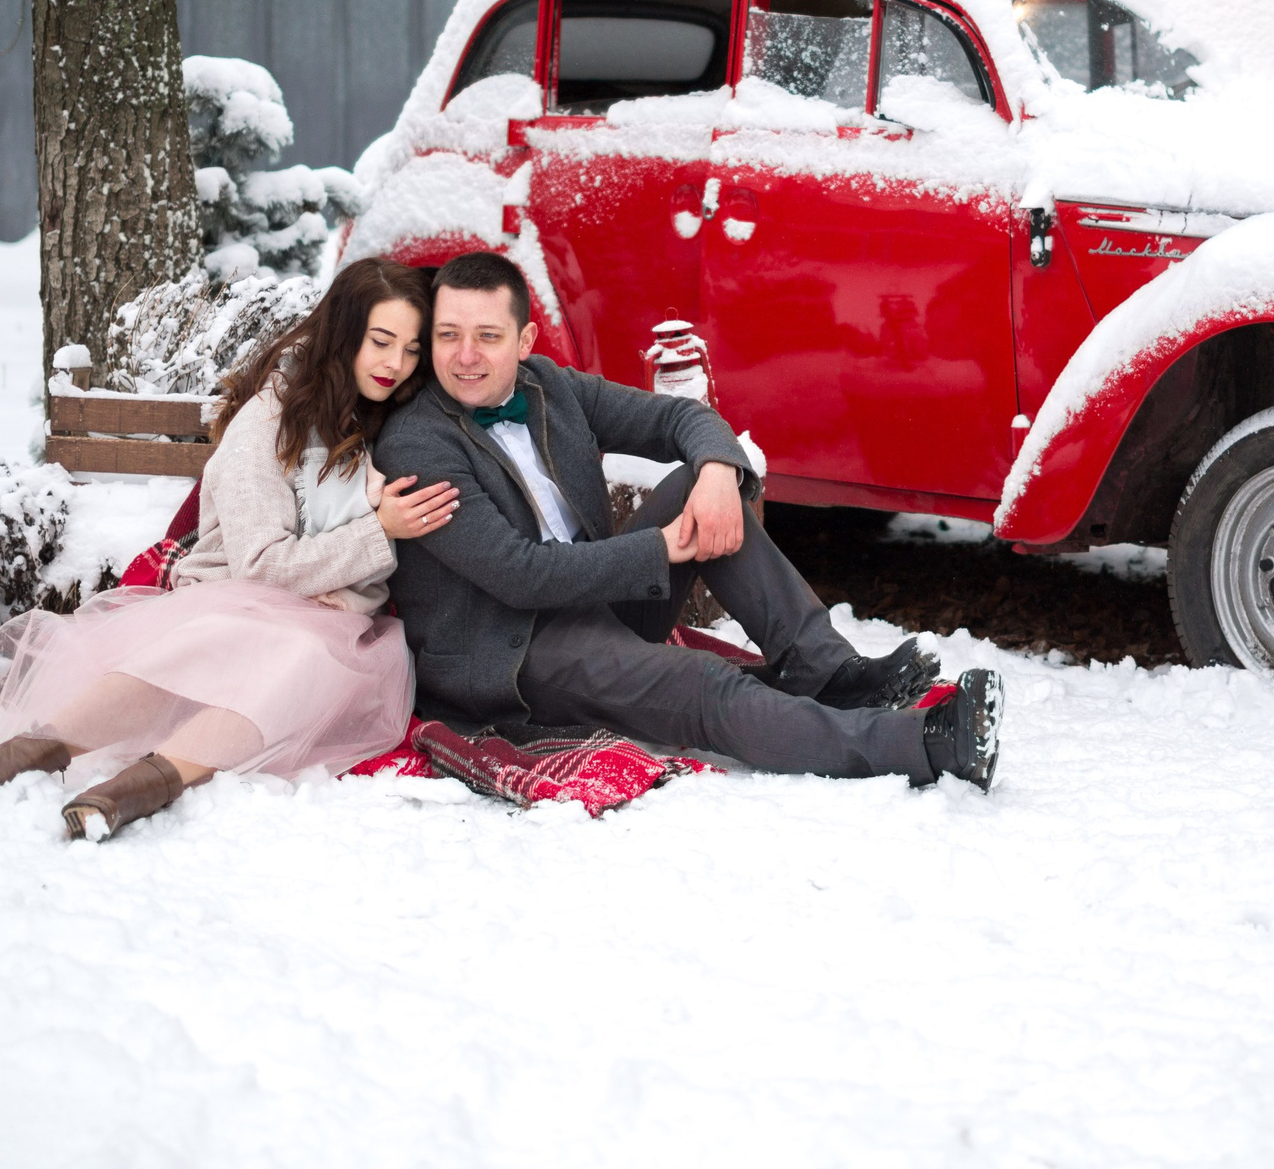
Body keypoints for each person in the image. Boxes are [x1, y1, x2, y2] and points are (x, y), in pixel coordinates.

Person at [375, 250, 1004, 789]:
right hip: (513, 651)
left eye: (487, 336)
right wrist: (658, 551)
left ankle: (827, 670)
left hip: (595, 603)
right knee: (703, 687)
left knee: (691, 485)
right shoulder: (417, 442)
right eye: (448, 335)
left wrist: (715, 473)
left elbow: (677, 419)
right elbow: (520, 576)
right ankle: (923, 745)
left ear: (525, 342)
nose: (465, 356)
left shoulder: (545, 384)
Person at [0, 259, 463, 840]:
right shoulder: (269, 420)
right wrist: (379, 532)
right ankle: (15, 761)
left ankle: (134, 790)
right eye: (381, 342)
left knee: (304, 652)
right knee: (238, 639)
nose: (395, 364)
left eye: (411, 349)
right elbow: (262, 565)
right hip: (240, 597)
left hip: (340, 630)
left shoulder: (389, 421)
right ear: (342, 334)